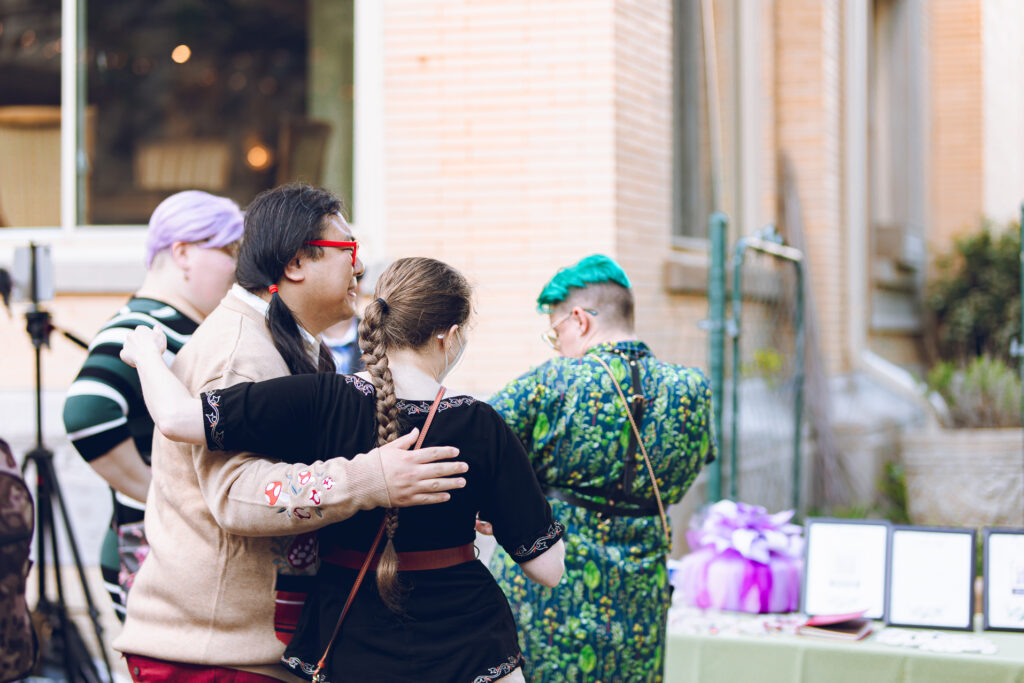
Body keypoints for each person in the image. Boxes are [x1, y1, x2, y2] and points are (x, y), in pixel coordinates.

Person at [120, 256, 566, 683]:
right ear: (448, 336)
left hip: (349, 643)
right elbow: (548, 569)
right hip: (470, 646)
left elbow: (176, 418)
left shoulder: (320, 398)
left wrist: (147, 356)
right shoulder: (480, 423)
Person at [112, 186, 469, 682]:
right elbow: (238, 495)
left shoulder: (281, 342)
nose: (360, 267)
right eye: (348, 248)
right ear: (297, 262)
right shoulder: (240, 354)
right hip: (212, 659)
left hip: (242, 653)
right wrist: (372, 479)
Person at [485, 254, 717, 682]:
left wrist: (495, 505)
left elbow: (477, 439)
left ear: (579, 320)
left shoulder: (553, 380)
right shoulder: (692, 389)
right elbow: (694, 464)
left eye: (555, 333)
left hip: (548, 595)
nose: (558, 346)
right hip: (639, 595)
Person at [62, 190, 244, 620]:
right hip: (154, 551)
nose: (239, 267)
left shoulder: (173, 324)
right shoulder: (144, 325)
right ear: (183, 253)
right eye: (229, 251)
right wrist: (162, 494)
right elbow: (86, 411)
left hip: (163, 548)